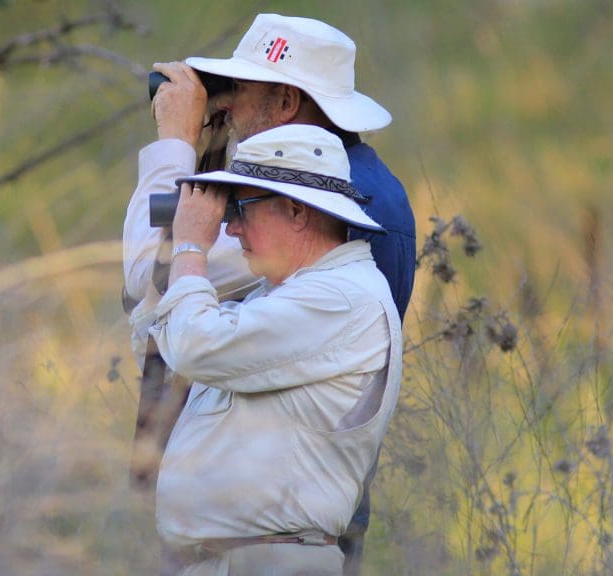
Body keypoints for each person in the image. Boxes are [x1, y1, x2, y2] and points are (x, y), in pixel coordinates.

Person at [123, 13, 416, 572]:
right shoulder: (315, 217)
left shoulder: (328, 203)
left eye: (237, 90)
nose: (224, 107)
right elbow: (157, 315)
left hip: (281, 537)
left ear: (285, 103)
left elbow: (150, 274)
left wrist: (176, 151)